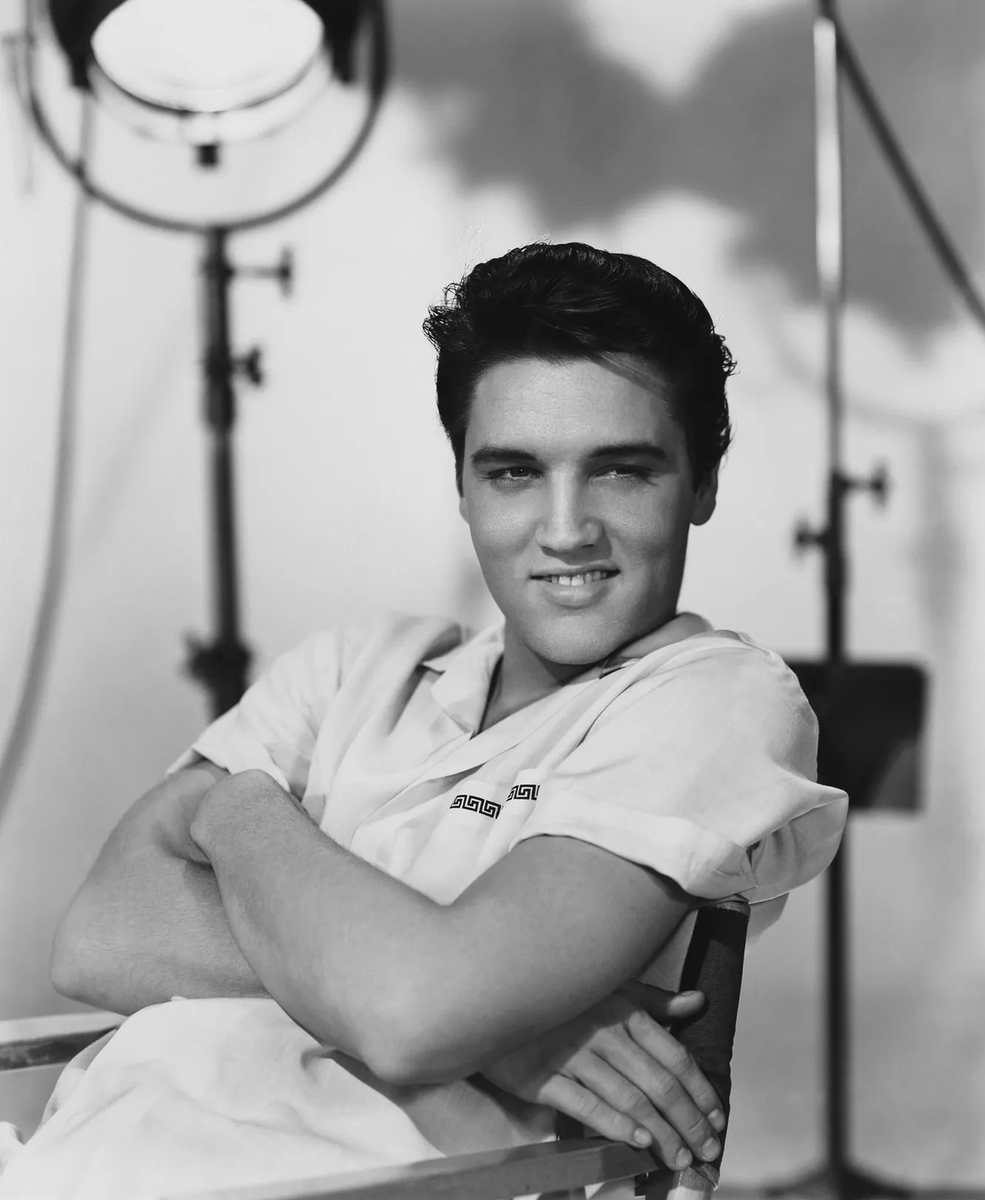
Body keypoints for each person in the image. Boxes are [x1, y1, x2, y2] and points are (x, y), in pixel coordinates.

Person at [0, 242, 847, 1200]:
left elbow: (410, 1014)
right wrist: (503, 1035)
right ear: (462, 487)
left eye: (620, 471)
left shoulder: (714, 698)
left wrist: (229, 809)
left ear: (701, 483)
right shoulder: (356, 666)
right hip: (74, 1156)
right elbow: (99, 939)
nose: (565, 530)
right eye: (513, 473)